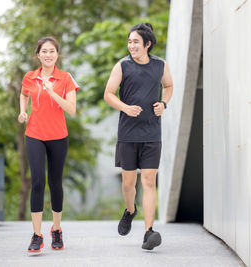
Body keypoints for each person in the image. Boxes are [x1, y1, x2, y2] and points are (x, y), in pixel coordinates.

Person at [103, 23, 173, 250]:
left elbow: (169, 86)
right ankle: (131, 210)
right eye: (129, 41)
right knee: (128, 184)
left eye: (136, 42)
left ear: (147, 44)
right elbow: (108, 95)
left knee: (149, 181)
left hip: (152, 133)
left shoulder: (160, 65)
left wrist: (164, 103)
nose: (131, 46)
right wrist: (125, 107)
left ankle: (148, 232)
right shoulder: (122, 65)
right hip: (128, 134)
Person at [18, 36, 79, 255]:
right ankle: (36, 235)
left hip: (58, 136)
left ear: (57, 55)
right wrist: (23, 111)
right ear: (38, 55)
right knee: (37, 182)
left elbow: (71, 109)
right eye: (44, 51)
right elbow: (24, 94)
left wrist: (53, 92)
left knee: (55, 183)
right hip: (34, 134)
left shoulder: (65, 78)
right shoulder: (30, 77)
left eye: (52, 51)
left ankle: (56, 229)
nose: (48, 55)